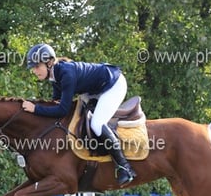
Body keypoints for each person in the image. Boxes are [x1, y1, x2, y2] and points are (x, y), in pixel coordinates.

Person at [21, 43, 137, 186]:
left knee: (96, 124)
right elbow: (56, 103)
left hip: (113, 84)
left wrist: (35, 109)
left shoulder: (66, 74)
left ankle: (124, 167)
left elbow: (62, 110)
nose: (34, 70)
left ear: (49, 63)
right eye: (33, 67)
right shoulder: (54, 76)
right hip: (94, 90)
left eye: (37, 66)